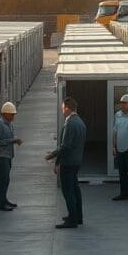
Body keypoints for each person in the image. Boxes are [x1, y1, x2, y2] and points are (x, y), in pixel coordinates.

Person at [46, 96, 86, 229]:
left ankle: (72, 220)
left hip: (68, 162)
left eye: (63, 108)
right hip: (76, 161)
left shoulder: (70, 123)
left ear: (68, 108)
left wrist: (52, 155)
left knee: (68, 191)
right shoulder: (80, 122)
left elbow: (66, 146)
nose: (62, 111)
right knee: (75, 189)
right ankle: (77, 216)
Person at [0, 101, 23, 211]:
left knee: (6, 179)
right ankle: (0, 204)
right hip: (2, 156)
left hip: (8, 155)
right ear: (5, 113)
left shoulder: (9, 124)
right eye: (12, 114)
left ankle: (4, 200)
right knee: (2, 179)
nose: (13, 116)